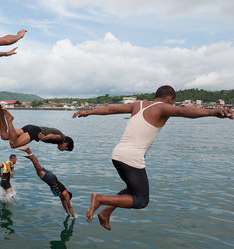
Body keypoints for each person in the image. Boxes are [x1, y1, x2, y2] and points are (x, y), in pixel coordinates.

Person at [72, 85, 234, 231]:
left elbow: (110, 110)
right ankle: (100, 199)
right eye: (172, 102)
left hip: (118, 154)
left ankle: (106, 212)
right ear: (169, 99)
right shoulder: (163, 107)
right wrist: (212, 112)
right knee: (142, 200)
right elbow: (182, 111)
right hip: (131, 157)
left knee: (132, 189)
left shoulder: (138, 104)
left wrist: (87, 112)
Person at [19, 146, 76, 218]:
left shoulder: (62, 195)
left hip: (52, 177)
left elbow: (64, 205)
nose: (65, 200)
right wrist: (74, 216)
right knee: (39, 171)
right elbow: (69, 206)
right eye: (66, 199)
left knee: (39, 167)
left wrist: (68, 213)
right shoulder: (65, 194)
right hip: (51, 180)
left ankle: (28, 150)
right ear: (68, 196)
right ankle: (32, 158)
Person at [0, 106, 74, 151]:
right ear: (65, 144)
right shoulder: (61, 139)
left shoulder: (61, 138)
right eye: (65, 150)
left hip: (31, 127)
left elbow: (53, 136)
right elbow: (53, 136)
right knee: (13, 144)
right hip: (35, 132)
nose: (62, 150)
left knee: (4, 136)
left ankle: (1, 113)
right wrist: (44, 138)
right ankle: (10, 119)